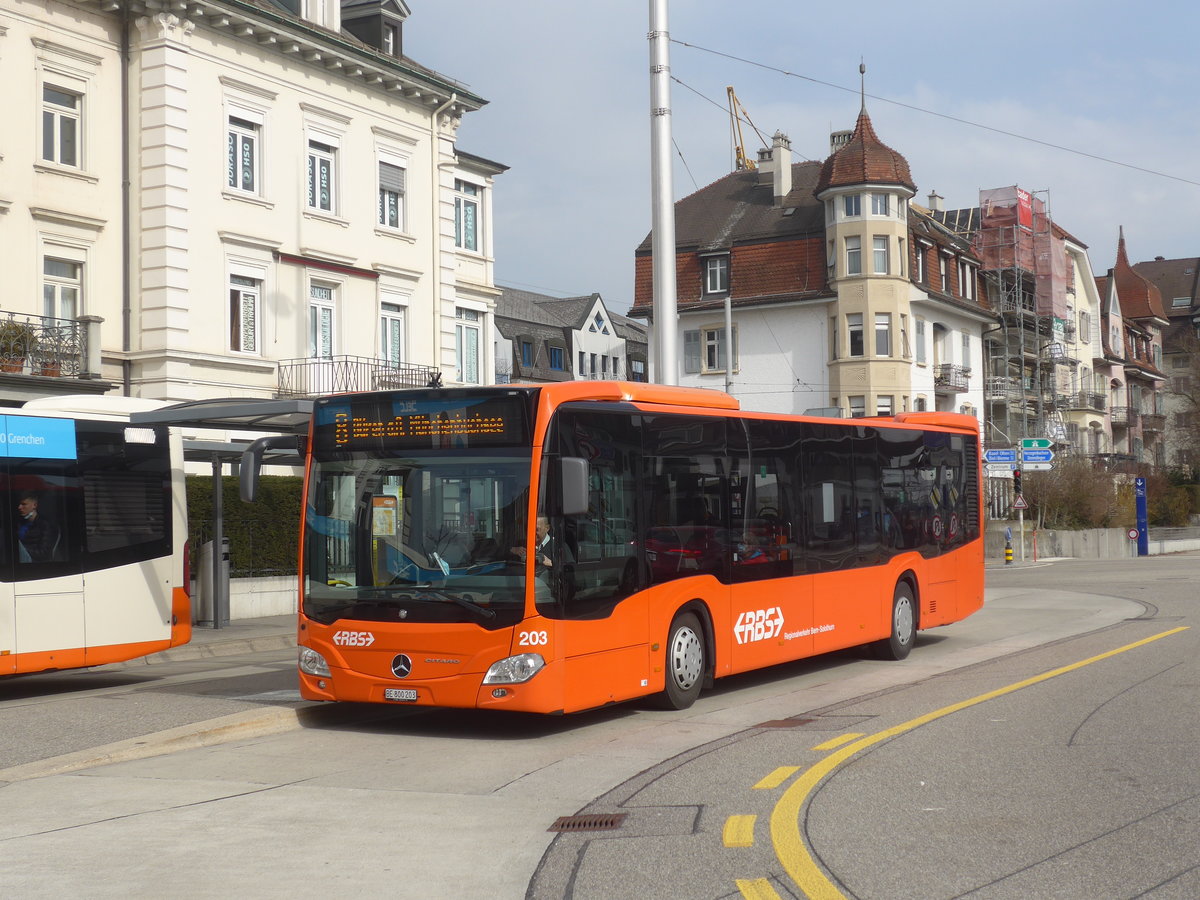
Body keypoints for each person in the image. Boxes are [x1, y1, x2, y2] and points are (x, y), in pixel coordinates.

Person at [17, 492, 59, 563]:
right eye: (19, 504)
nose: (19, 507)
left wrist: (23, 550)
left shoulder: (45, 525)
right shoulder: (20, 523)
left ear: (34, 505)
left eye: (24, 504)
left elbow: (44, 553)